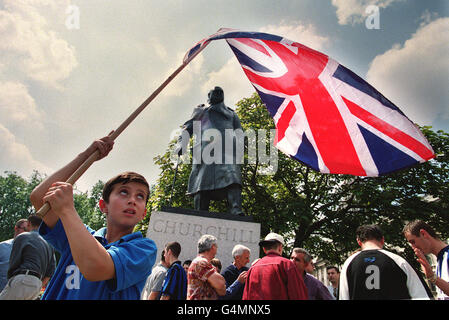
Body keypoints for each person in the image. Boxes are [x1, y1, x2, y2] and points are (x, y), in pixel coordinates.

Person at [29, 134, 157, 299]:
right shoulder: (77, 234)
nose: (132, 200)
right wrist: (86, 156)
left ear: (143, 213)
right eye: (124, 192)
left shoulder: (144, 249)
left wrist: (68, 210)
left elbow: (95, 267)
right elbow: (40, 197)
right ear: (104, 206)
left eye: (140, 196)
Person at [177, 86, 244, 215]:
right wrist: (181, 144)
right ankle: (200, 212)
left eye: (220, 92)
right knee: (202, 184)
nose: (218, 94)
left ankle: (236, 209)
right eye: (214, 93)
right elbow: (187, 128)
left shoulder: (231, 114)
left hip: (227, 153)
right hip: (204, 153)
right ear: (209, 97)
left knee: (233, 177)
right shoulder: (201, 111)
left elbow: (239, 133)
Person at [339, 224, 432, 300]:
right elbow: (421, 295)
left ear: (359, 241)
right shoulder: (398, 261)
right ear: (382, 239)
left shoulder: (349, 264)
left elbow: (343, 296)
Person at [0, 215, 56, 300]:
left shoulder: (23, 236)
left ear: (29, 223)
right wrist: (38, 284)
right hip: (36, 285)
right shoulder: (49, 243)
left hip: (22, 278)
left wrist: (11, 283)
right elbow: (50, 271)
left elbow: (14, 263)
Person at [242, 233, 308, 300]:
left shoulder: (253, 268)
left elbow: (246, 297)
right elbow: (298, 295)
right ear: (280, 248)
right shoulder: (287, 265)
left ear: (264, 249)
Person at [403, 220, 449, 300]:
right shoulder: (440, 259)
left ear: (423, 234)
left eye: (413, 242)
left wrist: (432, 276)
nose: (413, 247)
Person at [187, 234, 226, 300]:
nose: (217, 250)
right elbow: (221, 284)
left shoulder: (200, 262)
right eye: (216, 247)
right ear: (213, 247)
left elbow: (222, 292)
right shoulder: (201, 263)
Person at [0, 219, 29, 291]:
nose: (28, 233)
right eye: (25, 229)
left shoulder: (32, 252)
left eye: (30, 231)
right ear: (16, 228)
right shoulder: (2, 247)